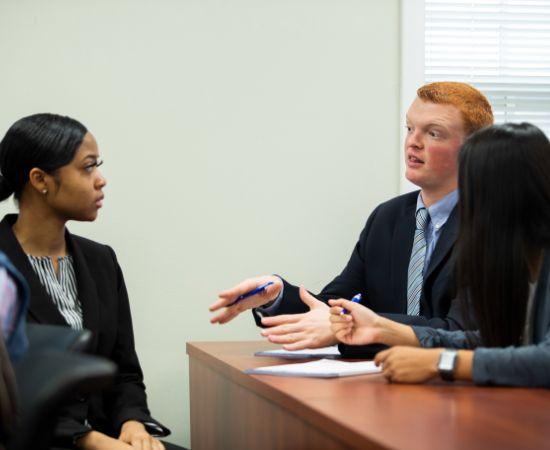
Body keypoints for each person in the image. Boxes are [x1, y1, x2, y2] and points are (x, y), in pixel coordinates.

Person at [209, 82, 494, 355]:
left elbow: (462, 333)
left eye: (433, 133)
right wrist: (278, 294)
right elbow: (333, 308)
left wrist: (362, 325)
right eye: (409, 128)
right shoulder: (388, 218)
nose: (413, 142)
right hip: (387, 381)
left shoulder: (495, 224)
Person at [0, 114, 184, 449]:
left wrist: (133, 423)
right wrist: (88, 440)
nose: (101, 181)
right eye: (87, 168)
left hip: (109, 437)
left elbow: (124, 371)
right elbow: (8, 397)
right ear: (40, 179)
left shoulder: (102, 261)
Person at [329, 122, 550, 387]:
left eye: (471, 189)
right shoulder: (514, 259)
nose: (465, 203)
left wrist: (441, 362)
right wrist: (380, 328)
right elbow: (485, 341)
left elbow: (544, 360)